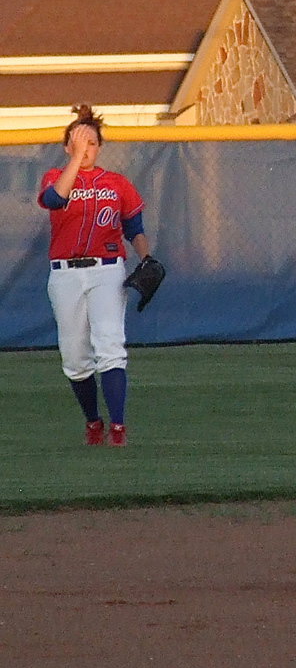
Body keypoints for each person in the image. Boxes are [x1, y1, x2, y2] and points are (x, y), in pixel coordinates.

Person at [37, 105, 155, 447]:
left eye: (91, 143)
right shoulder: (54, 177)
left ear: (100, 147)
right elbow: (55, 199)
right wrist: (75, 157)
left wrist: (146, 257)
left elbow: (134, 227)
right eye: (78, 142)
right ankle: (93, 421)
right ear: (66, 147)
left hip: (107, 271)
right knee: (74, 356)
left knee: (110, 345)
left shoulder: (116, 183)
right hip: (65, 275)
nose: (85, 149)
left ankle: (117, 428)